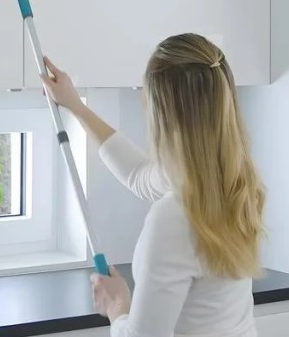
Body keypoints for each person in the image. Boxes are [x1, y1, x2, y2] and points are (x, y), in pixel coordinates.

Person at [41, 33, 265, 337]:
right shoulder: (235, 183)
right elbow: (140, 175)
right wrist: (76, 106)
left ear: (163, 113)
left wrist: (117, 306)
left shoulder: (172, 219)